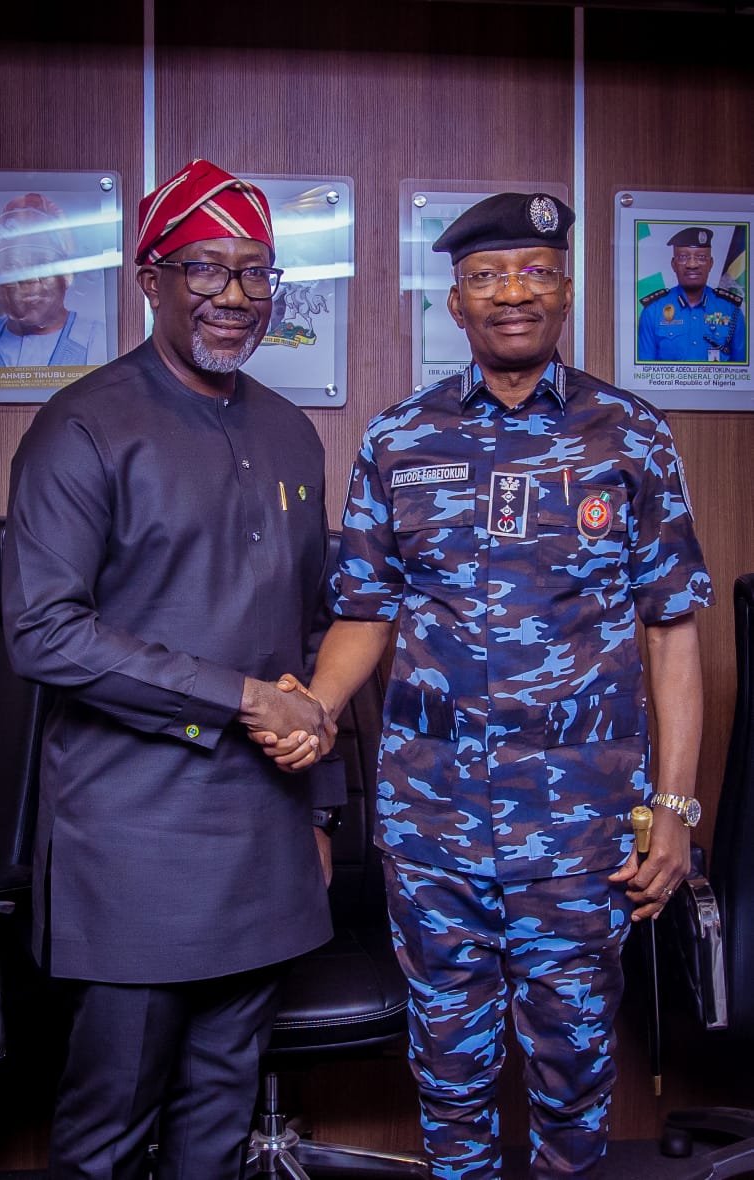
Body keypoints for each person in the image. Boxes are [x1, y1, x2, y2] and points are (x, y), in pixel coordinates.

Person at [260, 193, 714, 1178]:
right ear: (455, 302)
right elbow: (363, 613)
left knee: (574, 1069)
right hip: (433, 820)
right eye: (486, 277)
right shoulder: (398, 438)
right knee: (449, 1070)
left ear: (565, 291)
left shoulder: (629, 434)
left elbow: (671, 629)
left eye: (534, 271)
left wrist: (675, 811)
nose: (512, 292)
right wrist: (315, 709)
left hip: (582, 824)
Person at [1, 159, 342, 1180]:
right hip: (133, 840)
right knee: (109, 1128)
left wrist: (321, 811)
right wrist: (241, 698)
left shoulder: (290, 432)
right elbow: (43, 632)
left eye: (255, 272)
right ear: (149, 279)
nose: (234, 295)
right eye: (205, 268)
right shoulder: (82, 425)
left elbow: (312, 633)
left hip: (266, 835)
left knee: (218, 1124)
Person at [0, 192, 106, 368]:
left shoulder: (100, 341)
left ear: (66, 275)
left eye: (41, 264)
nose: (29, 279)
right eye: (11, 267)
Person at [637, 225, 746, 363]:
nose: (692, 264)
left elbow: (743, 372)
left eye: (701, 257)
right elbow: (644, 371)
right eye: (683, 257)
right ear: (673, 264)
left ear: (711, 263)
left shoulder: (731, 310)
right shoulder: (653, 311)